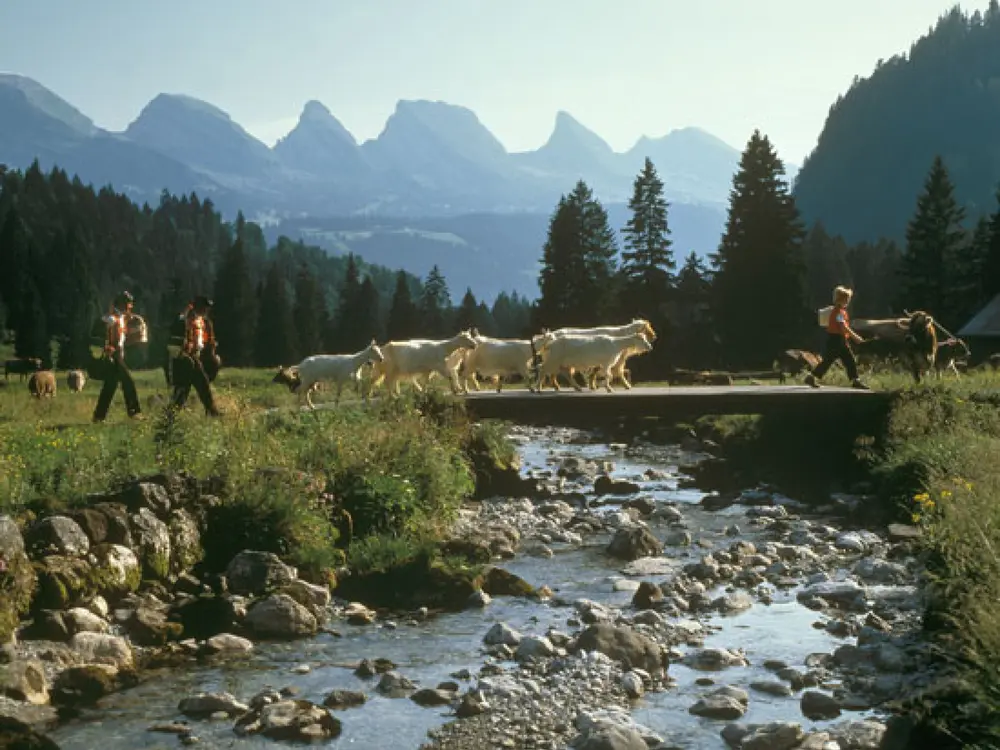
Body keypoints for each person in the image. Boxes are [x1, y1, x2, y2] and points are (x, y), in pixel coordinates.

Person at [805, 286, 870, 390]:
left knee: (845, 360)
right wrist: (856, 337)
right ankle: (855, 380)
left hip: (837, 339)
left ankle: (855, 380)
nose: (848, 301)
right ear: (841, 299)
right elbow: (843, 326)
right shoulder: (838, 312)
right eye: (847, 299)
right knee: (840, 360)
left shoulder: (839, 311)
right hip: (837, 340)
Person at [93, 291, 142, 422]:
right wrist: (106, 348)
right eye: (128, 303)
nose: (130, 306)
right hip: (113, 355)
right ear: (122, 304)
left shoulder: (120, 318)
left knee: (110, 386)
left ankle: (98, 416)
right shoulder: (111, 318)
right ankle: (134, 412)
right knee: (128, 382)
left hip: (118, 354)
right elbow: (100, 333)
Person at [170, 295, 221, 417]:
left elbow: (206, 342)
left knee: (199, 384)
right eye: (204, 307)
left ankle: (211, 411)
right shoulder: (185, 319)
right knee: (184, 388)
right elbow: (176, 342)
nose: (206, 310)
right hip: (184, 358)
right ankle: (171, 415)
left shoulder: (202, 321)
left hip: (193, 357)